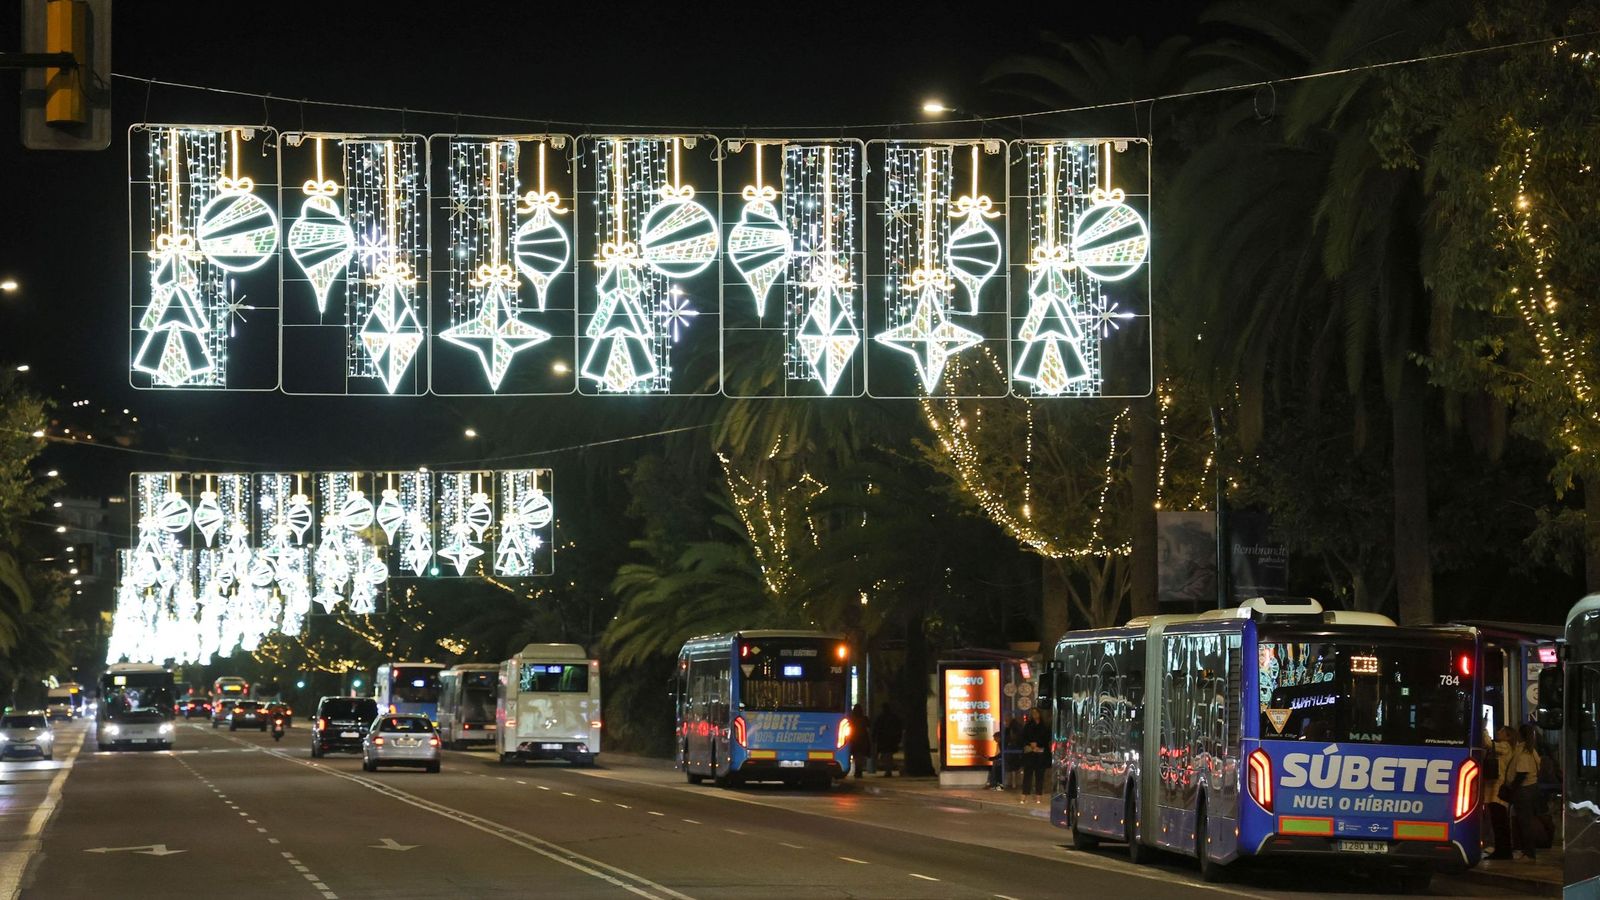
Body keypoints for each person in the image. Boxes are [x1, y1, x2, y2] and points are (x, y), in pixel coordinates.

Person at [1507, 723, 1543, 860]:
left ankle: (1529, 852)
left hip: (1524, 790)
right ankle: (1527, 850)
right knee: (1526, 821)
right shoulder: (1532, 750)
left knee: (1524, 822)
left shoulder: (1524, 751)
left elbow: (1522, 773)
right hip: (1531, 788)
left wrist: (1512, 789)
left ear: (1520, 734)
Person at [1482, 726, 1514, 859]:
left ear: (1508, 736)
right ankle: (1502, 849)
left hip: (1498, 789)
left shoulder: (1505, 747)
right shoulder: (1505, 747)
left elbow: (1488, 743)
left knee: (1499, 822)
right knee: (1498, 822)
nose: (1498, 732)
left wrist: (1484, 729)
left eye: (1501, 731)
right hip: (1495, 788)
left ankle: (1502, 850)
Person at [1020, 708, 1051, 803]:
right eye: (1032, 713)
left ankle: (1038, 796)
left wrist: (1038, 745)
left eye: (1036, 712)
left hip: (1040, 754)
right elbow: (1023, 738)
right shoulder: (1028, 725)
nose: (1034, 714)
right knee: (1027, 775)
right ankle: (1024, 795)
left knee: (1039, 775)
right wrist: (1030, 744)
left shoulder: (1044, 726)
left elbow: (1047, 739)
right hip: (1030, 753)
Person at [872, 702, 903, 777]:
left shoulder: (880, 718)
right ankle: (888, 770)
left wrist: (874, 738)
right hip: (891, 740)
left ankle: (888, 770)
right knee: (888, 755)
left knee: (885, 755)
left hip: (883, 740)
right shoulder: (894, 717)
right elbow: (899, 728)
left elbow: (876, 728)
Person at [848, 704, 872, 779]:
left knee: (856, 756)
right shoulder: (864, 718)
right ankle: (859, 770)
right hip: (862, 740)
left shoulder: (852, 719)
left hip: (854, 739)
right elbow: (869, 726)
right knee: (860, 757)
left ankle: (857, 771)